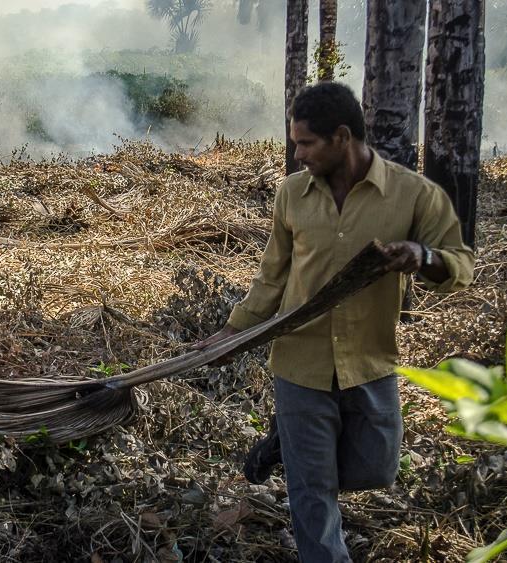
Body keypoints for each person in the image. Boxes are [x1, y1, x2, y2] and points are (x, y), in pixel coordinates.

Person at [193, 82, 474, 562]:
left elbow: (460, 266)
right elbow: (271, 278)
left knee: (377, 469)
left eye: (305, 143)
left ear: (341, 137)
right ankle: (303, 461)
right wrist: (230, 334)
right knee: (312, 491)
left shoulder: (412, 195)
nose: (296, 153)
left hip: (370, 362)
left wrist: (422, 256)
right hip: (300, 364)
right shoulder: (292, 194)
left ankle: (288, 444)